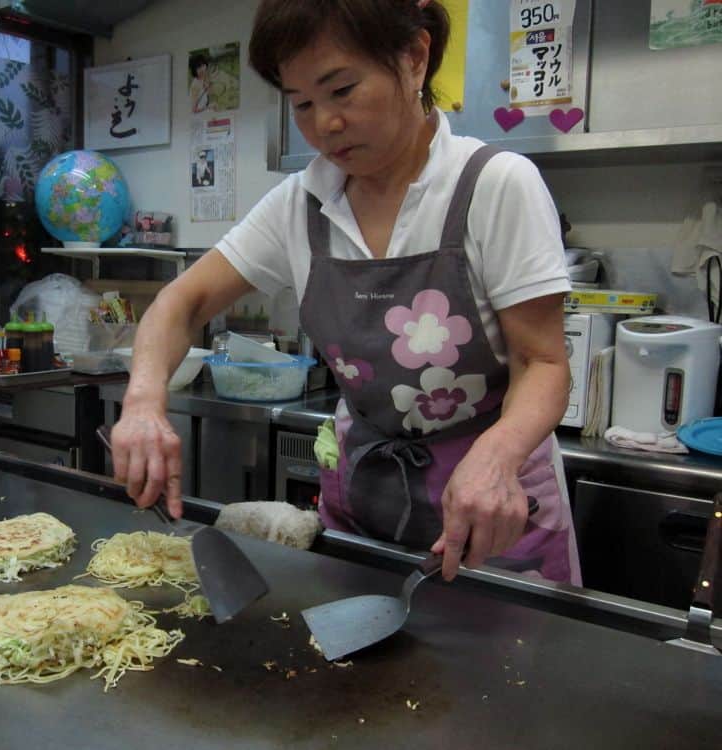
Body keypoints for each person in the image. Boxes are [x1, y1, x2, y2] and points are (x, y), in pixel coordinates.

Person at [111, 0, 580, 585]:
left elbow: (544, 361)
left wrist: (499, 454)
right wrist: (143, 404)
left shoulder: (494, 184)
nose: (323, 125)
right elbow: (180, 304)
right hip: (363, 503)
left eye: (342, 90)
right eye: (302, 103)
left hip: (494, 511)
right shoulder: (299, 205)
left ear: (413, 57)